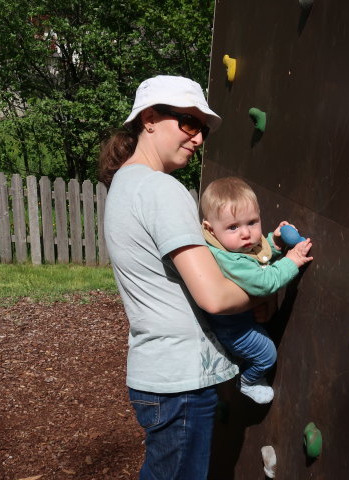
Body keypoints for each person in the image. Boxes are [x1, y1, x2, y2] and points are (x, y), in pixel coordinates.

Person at [99, 75, 257, 480]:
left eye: (201, 129)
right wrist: (272, 283)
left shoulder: (123, 185)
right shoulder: (160, 189)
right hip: (180, 382)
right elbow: (215, 297)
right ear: (149, 119)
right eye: (188, 123)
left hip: (158, 375)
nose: (198, 138)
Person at [200, 177, 313, 404]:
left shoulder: (232, 244)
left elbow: (258, 254)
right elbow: (264, 281)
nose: (246, 234)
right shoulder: (228, 259)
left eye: (252, 222)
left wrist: (276, 242)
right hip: (233, 328)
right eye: (233, 227)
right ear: (210, 229)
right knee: (266, 355)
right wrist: (292, 260)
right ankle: (248, 380)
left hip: (242, 317)